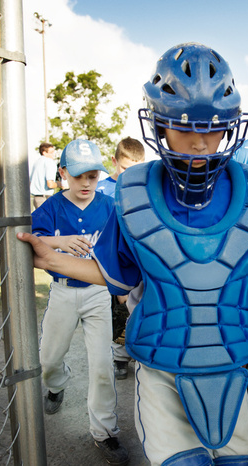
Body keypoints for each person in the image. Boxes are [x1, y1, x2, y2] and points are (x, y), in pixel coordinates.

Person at [18, 42, 248, 466]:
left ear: (230, 126)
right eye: (184, 127)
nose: (199, 143)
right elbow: (116, 273)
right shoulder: (134, 195)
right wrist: (44, 257)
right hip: (162, 366)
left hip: (230, 363)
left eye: (211, 128)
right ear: (158, 124)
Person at [30, 138, 129, 465]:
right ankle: (56, 384)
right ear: (62, 173)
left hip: (98, 294)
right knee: (48, 359)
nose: (86, 183)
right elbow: (30, 243)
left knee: (102, 365)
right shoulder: (53, 207)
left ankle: (105, 431)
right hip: (63, 292)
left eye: (92, 175)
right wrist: (60, 241)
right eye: (78, 176)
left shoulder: (109, 206)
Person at [95, 136, 146, 380]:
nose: (129, 173)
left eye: (136, 168)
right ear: (115, 161)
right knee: (117, 310)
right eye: (125, 168)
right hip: (110, 258)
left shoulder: (145, 186)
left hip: (135, 258)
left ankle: (136, 348)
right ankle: (119, 356)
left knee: (136, 307)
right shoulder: (103, 189)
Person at [30, 142, 58, 210]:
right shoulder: (49, 162)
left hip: (37, 198)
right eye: (51, 152)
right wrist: (59, 184)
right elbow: (50, 184)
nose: (53, 154)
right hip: (45, 198)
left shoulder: (36, 162)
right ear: (44, 152)